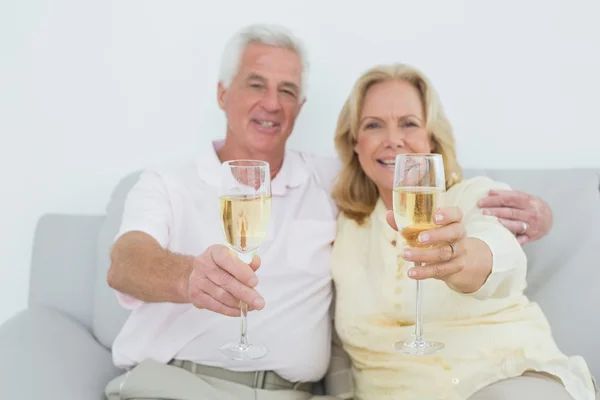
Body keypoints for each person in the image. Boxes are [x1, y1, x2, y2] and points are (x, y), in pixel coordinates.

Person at [104, 23, 555, 400]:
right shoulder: (166, 181)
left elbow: (484, 231)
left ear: (300, 107)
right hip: (177, 384)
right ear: (223, 93)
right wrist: (187, 277)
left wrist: (540, 214)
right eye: (255, 84)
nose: (272, 103)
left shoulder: (329, 184)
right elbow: (126, 263)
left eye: (287, 91)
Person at [329, 63, 598, 400]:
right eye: (373, 125)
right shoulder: (342, 225)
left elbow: (499, 251)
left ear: (431, 138)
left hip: (507, 379)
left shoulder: (472, 195)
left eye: (409, 123)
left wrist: (458, 258)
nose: (392, 139)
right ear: (355, 142)